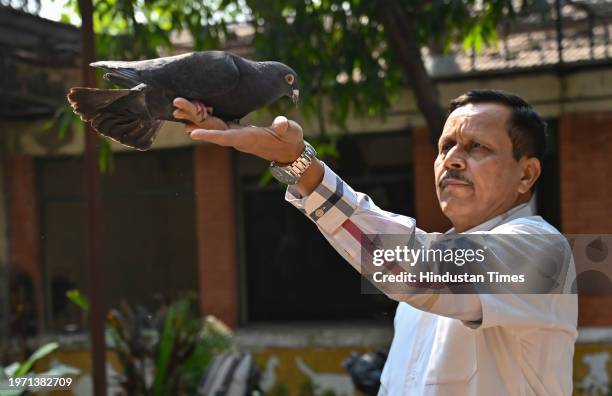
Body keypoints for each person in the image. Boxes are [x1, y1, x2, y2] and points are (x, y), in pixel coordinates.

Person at [173, 89, 578, 395]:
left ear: (526, 175)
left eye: (478, 147)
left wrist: (301, 166)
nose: (452, 159)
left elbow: (416, 267)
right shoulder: (421, 299)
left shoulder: (544, 253)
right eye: (445, 147)